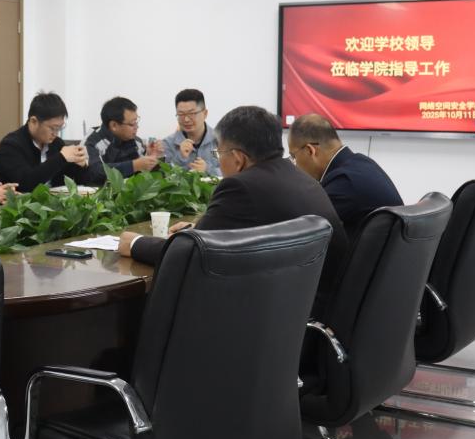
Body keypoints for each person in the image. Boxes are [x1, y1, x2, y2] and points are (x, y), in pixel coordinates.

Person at [119, 105, 348, 313]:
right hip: (312, 309)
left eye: (219, 154)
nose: (219, 162)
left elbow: (193, 254)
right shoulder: (300, 177)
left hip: (276, 316)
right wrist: (196, 230)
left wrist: (137, 243)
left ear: (238, 159)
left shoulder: (240, 186)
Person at [288, 114, 403, 239]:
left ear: (311, 151)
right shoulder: (362, 163)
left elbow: (302, 227)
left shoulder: (344, 182)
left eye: (294, 156)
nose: (295, 164)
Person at [0, 92, 89, 192]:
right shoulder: (10, 146)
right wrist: (61, 158)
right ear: (33, 121)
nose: (56, 133)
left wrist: (82, 165)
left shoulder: (57, 144)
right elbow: (24, 185)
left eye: (60, 128)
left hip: (55, 200)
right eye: (53, 128)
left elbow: (77, 182)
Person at [83, 97, 161, 185]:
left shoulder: (136, 142)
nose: (137, 127)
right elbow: (94, 172)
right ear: (114, 125)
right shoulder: (91, 142)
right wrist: (134, 165)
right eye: (132, 124)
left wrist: (150, 156)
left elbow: (143, 176)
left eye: (136, 122)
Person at [161, 88, 221, 175]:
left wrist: (208, 169)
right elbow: (163, 176)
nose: (186, 119)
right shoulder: (167, 144)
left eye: (192, 113)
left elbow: (231, 171)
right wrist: (180, 158)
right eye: (181, 114)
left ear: (205, 114)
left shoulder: (220, 141)